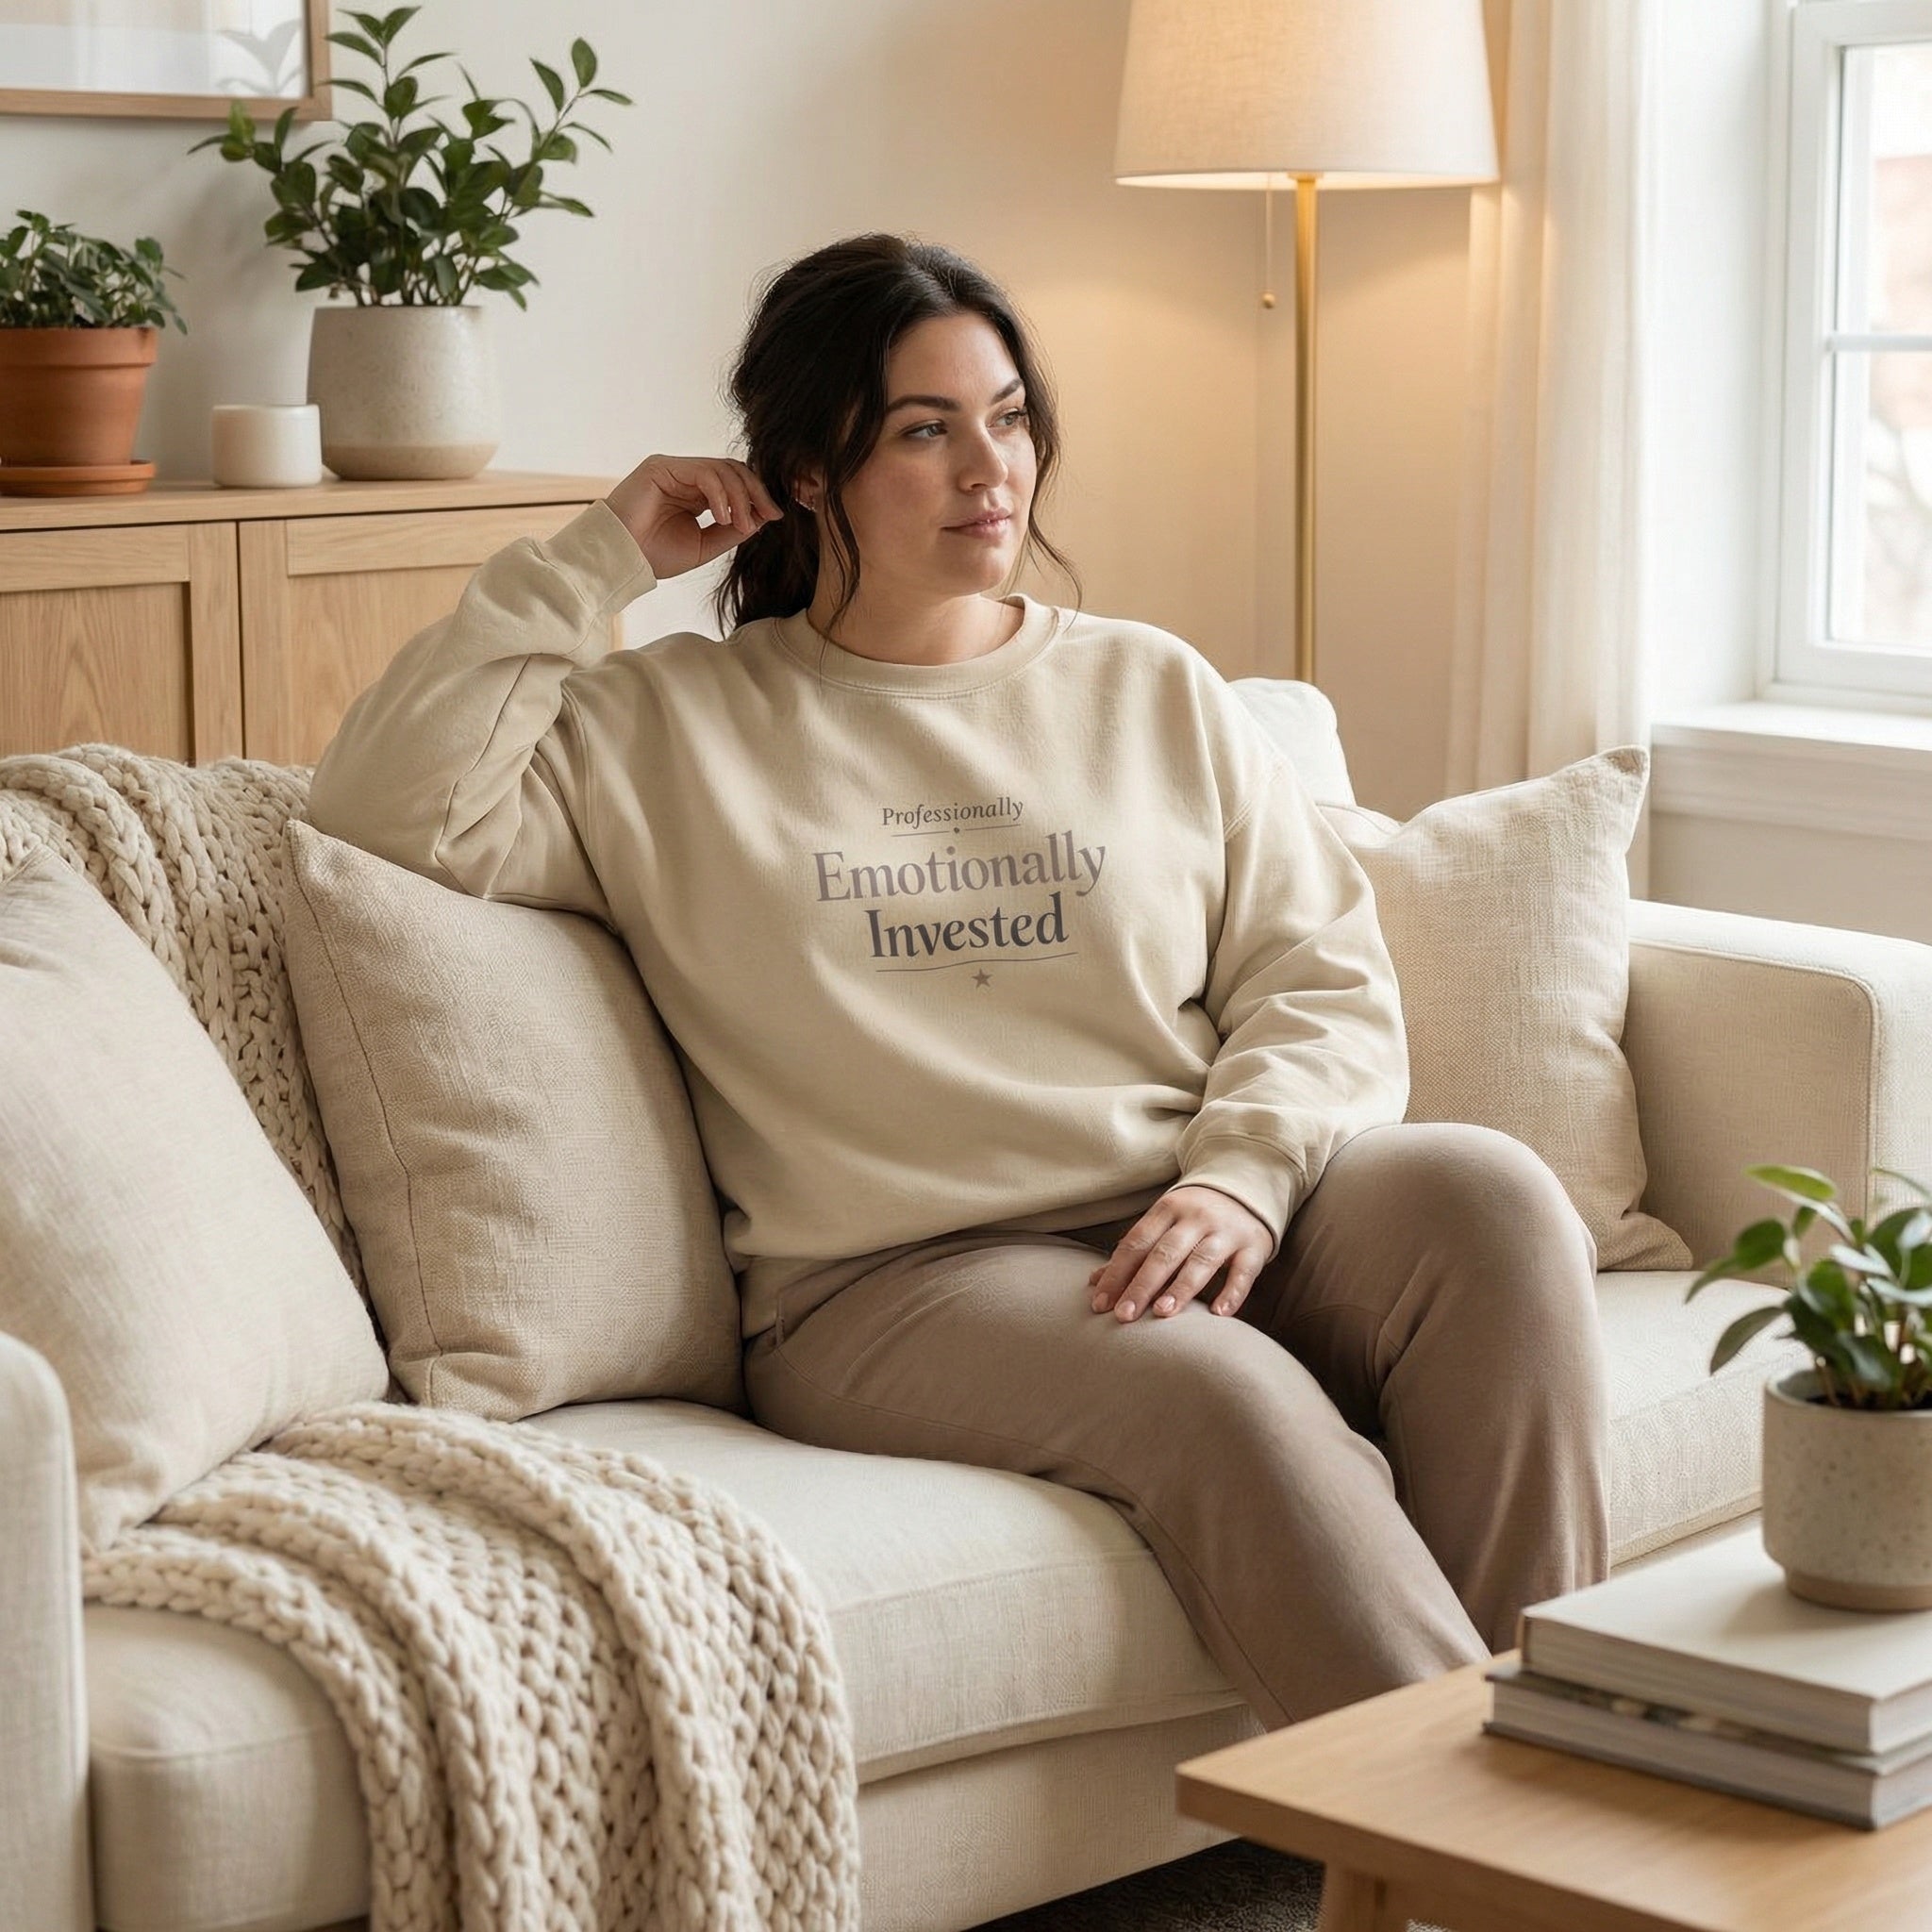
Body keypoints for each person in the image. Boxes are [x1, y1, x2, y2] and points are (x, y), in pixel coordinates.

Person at [306, 231, 1608, 1726]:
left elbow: (1319, 975)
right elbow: (384, 808)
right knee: (1220, 1390)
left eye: (1008, 416)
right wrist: (598, 556)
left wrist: (1244, 1175)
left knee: (1496, 1204)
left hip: (1190, 1208)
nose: (991, 467)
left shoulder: (1148, 686)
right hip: (892, 1285)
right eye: (926, 430)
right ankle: (1498, 1861)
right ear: (808, 472)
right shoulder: (667, 725)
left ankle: (1549, 1769)